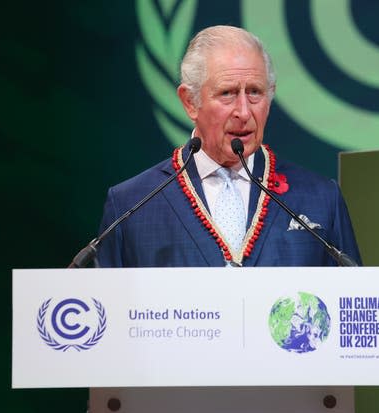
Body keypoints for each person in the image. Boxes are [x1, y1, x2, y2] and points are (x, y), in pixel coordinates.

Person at [97, 25, 361, 267]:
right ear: (190, 101)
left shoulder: (321, 199)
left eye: (255, 92)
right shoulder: (131, 206)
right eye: (228, 93)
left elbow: (354, 304)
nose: (244, 112)